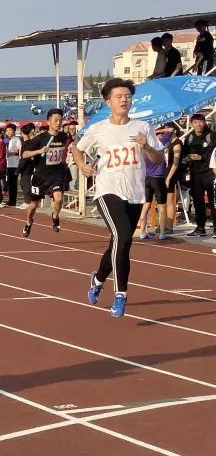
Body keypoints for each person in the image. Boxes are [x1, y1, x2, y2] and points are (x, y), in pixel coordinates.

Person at [74, 78, 163, 318]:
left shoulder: (142, 127)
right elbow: (78, 149)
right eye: (119, 96)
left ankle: (98, 278)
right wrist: (82, 165)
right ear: (108, 102)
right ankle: (120, 294)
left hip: (135, 193)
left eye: (128, 96)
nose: (124, 100)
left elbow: (158, 159)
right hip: (107, 190)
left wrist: (147, 147)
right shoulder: (99, 128)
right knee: (122, 236)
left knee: (121, 243)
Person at [21, 110, 69, 237]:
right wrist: (39, 151)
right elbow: (24, 154)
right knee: (33, 205)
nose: (58, 123)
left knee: (58, 198)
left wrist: (65, 160)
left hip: (56, 174)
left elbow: (65, 149)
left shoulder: (63, 136)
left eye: (60, 120)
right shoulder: (40, 138)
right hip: (40, 176)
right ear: (48, 122)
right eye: (55, 120)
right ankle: (28, 222)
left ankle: (55, 216)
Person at [179, 113, 215, 237]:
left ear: (204, 122)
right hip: (195, 174)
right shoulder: (189, 138)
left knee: (213, 201)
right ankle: (200, 228)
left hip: (210, 173)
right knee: (198, 201)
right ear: (192, 124)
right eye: (195, 122)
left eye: (201, 122)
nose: (198, 124)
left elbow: (214, 153)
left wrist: (201, 157)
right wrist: (187, 159)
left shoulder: (211, 135)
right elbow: (184, 154)